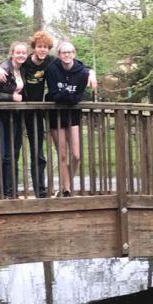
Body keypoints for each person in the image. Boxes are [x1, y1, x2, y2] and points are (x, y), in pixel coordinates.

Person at [0, 32, 97, 198]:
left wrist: (90, 71)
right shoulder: (25, 61)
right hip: (18, 111)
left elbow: (74, 63)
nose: (42, 50)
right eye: (39, 47)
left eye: (46, 47)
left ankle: (40, 191)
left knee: (38, 152)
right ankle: (10, 192)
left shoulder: (51, 61)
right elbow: (7, 64)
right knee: (13, 151)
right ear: (34, 48)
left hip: (36, 112)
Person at [45, 42, 91, 198]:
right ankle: (66, 190)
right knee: (63, 154)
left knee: (76, 155)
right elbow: (53, 95)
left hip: (73, 115)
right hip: (56, 115)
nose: (67, 55)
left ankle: (67, 183)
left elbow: (78, 97)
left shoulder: (82, 72)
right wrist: (67, 95)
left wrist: (64, 94)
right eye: (64, 52)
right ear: (59, 55)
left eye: (70, 52)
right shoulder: (52, 69)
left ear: (74, 54)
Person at [0, 41, 28, 198]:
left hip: (15, 117)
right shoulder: (3, 70)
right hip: (0, 118)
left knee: (13, 154)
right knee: (1, 155)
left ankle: (11, 192)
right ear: (12, 53)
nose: (21, 55)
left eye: (24, 53)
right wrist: (12, 97)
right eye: (18, 52)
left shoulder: (23, 69)